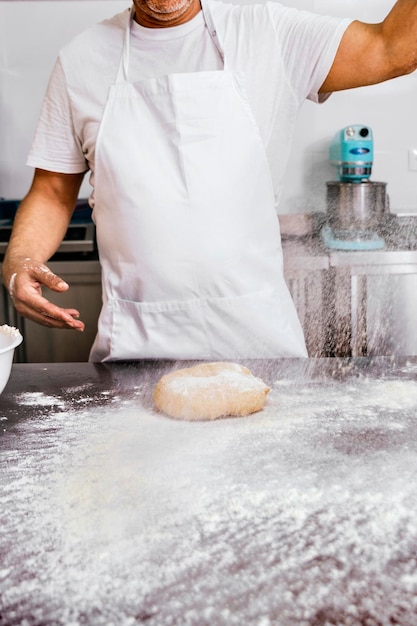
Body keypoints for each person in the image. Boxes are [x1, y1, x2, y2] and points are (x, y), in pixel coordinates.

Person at [2, 0, 417, 362]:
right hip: (137, 349)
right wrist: (20, 259)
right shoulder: (81, 60)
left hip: (259, 347)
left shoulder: (269, 34)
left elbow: (394, 48)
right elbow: (54, 191)